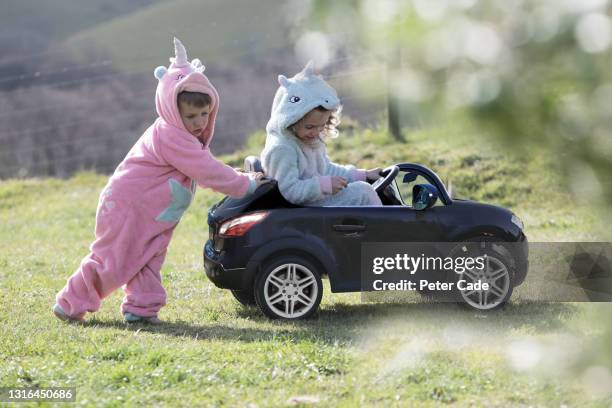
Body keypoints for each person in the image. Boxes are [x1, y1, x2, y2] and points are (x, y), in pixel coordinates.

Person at [53, 38, 268, 324]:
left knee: (148, 258)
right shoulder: (170, 134)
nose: (199, 122)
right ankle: (70, 303)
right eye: (190, 115)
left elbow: (204, 167)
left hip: (152, 214)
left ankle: (141, 309)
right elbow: (208, 171)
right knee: (114, 261)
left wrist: (240, 176)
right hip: (130, 207)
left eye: (205, 113)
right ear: (172, 109)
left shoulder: (186, 140)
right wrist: (247, 185)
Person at [261, 62, 382, 206]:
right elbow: (288, 190)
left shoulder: (308, 140)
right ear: (291, 120)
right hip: (300, 210)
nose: (316, 132)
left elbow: (325, 169)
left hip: (314, 203)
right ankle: (387, 227)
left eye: (321, 126)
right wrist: (322, 186)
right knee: (363, 192)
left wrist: (362, 175)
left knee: (371, 188)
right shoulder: (282, 149)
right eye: (310, 126)